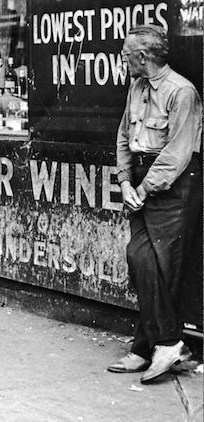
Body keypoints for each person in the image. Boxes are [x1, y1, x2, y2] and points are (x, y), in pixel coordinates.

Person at [108, 25, 202, 383]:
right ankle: (167, 342)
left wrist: (143, 189)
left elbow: (178, 153)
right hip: (143, 182)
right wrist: (124, 181)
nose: (122, 57)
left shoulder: (182, 92)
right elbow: (123, 138)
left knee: (164, 266)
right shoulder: (136, 87)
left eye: (126, 52)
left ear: (142, 57)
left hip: (174, 184)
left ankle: (147, 347)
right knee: (140, 257)